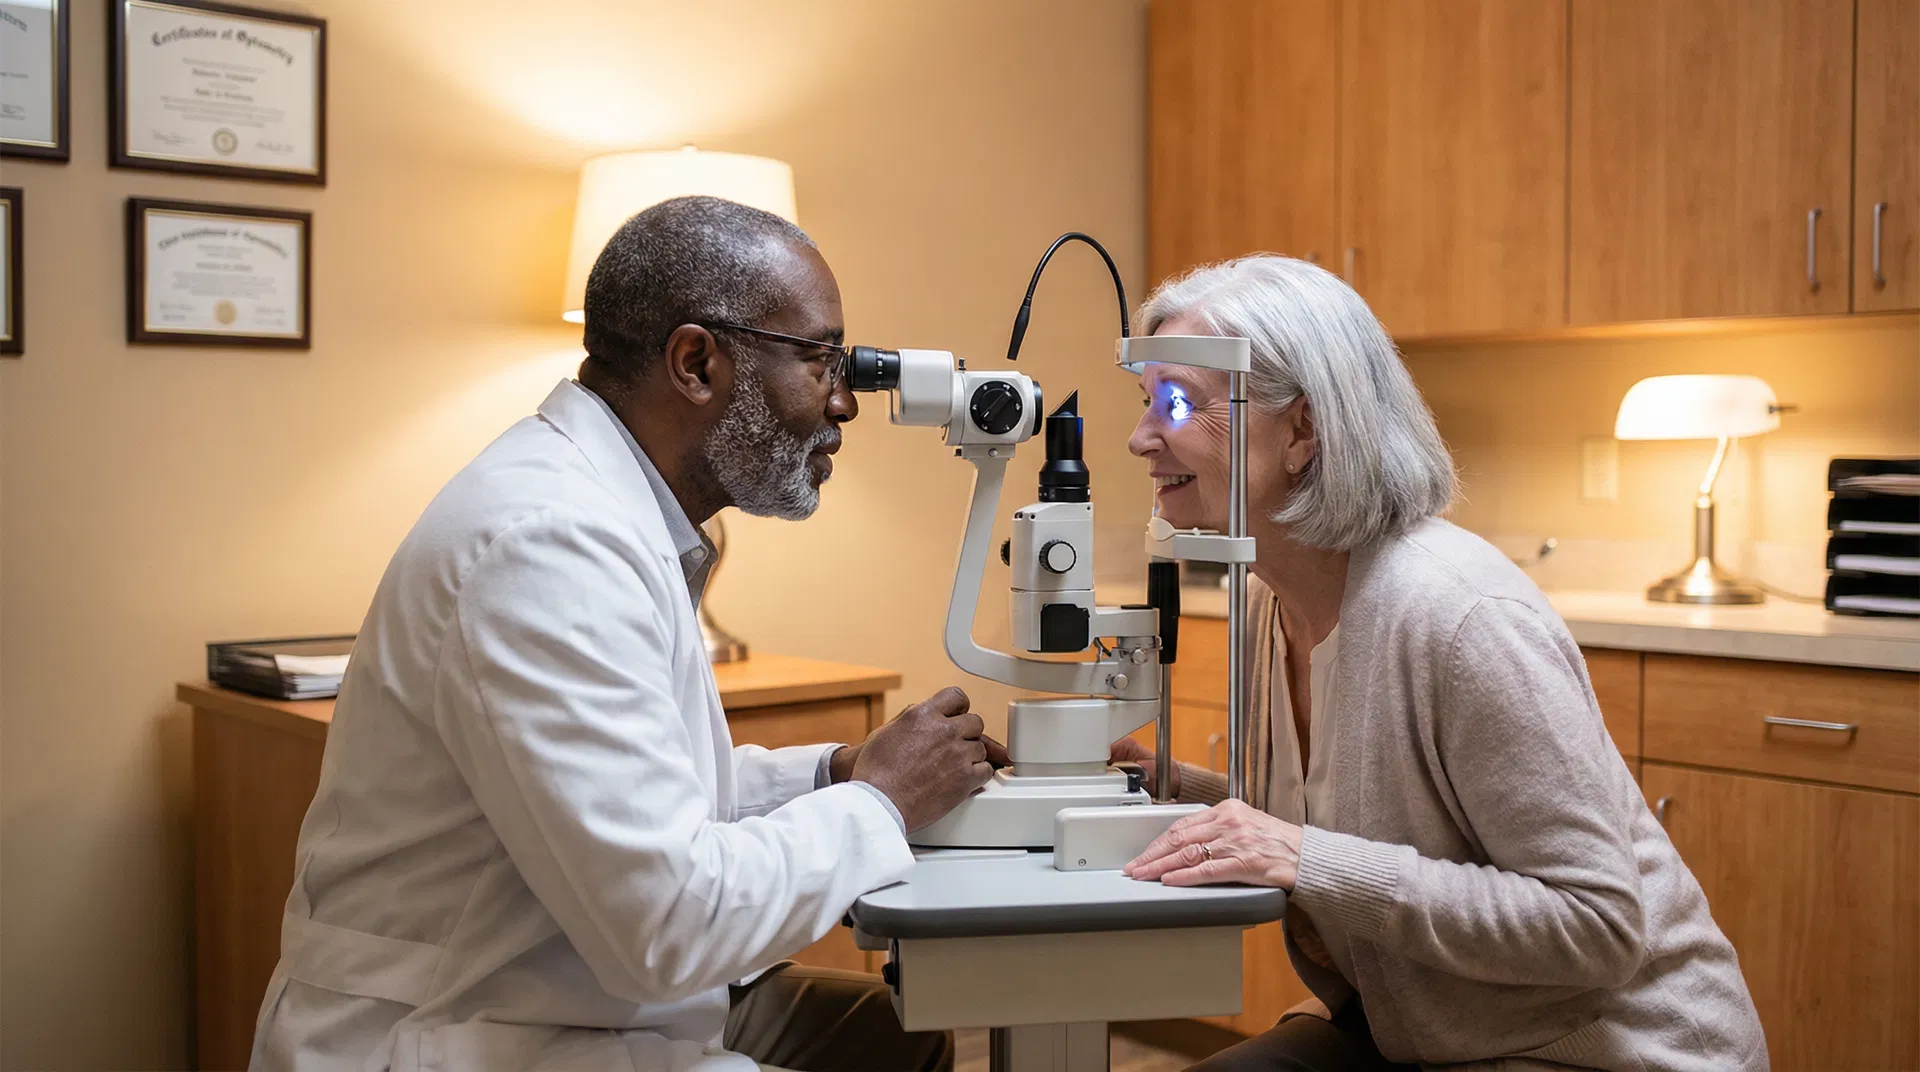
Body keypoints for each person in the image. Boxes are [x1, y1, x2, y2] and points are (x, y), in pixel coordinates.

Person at [251, 196, 994, 1072]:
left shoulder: (612, 512)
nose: (844, 402)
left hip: (562, 994)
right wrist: (882, 803)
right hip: (466, 1028)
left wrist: (835, 773)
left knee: (891, 1037)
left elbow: (647, 796)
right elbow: (667, 921)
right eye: (820, 359)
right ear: (695, 362)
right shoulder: (548, 544)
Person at [1112, 255, 1767, 1071]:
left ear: (1303, 430)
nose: (1142, 437)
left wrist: (1302, 859)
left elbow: (1596, 924)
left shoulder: (1459, 615)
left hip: (1598, 1051)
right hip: (1427, 1032)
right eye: (1147, 403)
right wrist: (1177, 788)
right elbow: (1342, 816)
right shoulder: (1268, 595)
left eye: (1178, 402)